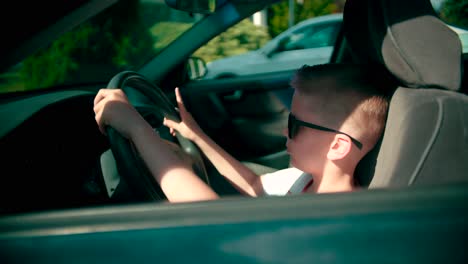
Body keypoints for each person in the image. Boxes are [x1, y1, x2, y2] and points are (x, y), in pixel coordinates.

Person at [93, 63, 391, 203]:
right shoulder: (304, 181)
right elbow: (254, 184)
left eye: (295, 126)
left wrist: (138, 129)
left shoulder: (340, 215)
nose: (286, 135)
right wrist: (195, 135)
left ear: (338, 147)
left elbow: (211, 220)